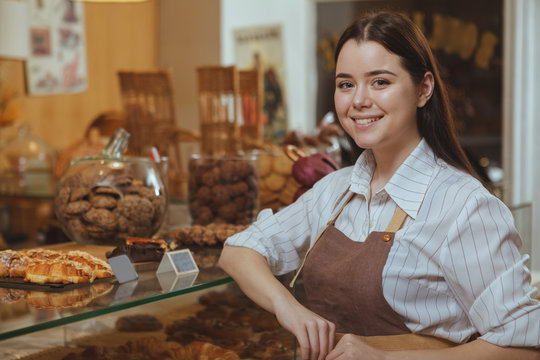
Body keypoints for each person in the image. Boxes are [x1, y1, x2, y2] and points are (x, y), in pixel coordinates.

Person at [218, 11, 540, 360]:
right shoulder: (334, 192)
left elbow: (522, 346)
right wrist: (289, 308)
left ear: (423, 89)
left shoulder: (465, 206)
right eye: (346, 84)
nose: (358, 100)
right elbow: (239, 250)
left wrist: (386, 358)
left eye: (380, 82)